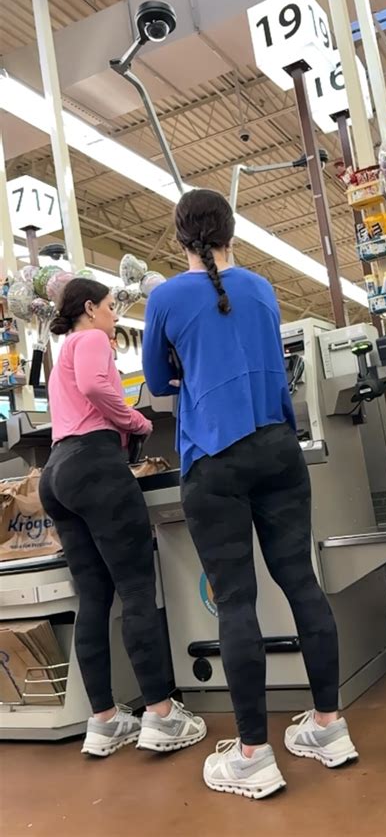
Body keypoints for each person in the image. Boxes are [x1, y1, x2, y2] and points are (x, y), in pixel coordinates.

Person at [142, 189, 358, 800]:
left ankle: (253, 756)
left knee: (237, 602)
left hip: (215, 458)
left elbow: (158, 383)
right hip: (278, 449)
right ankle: (328, 725)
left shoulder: (164, 297)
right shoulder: (263, 288)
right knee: (301, 582)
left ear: (181, 237)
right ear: (231, 230)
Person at [39, 278, 206, 758]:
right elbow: (95, 386)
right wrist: (135, 422)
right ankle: (160, 713)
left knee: (93, 598)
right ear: (90, 308)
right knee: (135, 589)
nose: (115, 318)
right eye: (112, 308)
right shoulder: (92, 339)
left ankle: (104, 721)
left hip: (57, 473)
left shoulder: (63, 351)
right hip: (95, 465)